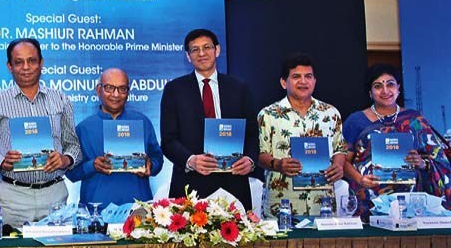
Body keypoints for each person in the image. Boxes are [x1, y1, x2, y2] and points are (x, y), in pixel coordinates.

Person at [0, 38, 81, 226]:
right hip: (13, 197)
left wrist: (65, 159)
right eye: (19, 62)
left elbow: (73, 146)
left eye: (31, 60)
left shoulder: (61, 100)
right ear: (10, 66)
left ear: (41, 63)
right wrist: (2, 162)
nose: (26, 67)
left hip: (54, 195)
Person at [159, 28, 259, 210]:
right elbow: (168, 141)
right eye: (195, 49)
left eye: (207, 47)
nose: (202, 53)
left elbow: (252, 134)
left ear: (217, 50)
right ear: (188, 56)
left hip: (234, 185)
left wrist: (250, 160)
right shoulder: (174, 90)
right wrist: (191, 160)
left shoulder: (239, 88)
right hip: (190, 186)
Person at [343, 63, 451, 218]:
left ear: (398, 88)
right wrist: (360, 179)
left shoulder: (415, 120)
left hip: (413, 204)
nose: (385, 91)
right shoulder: (356, 121)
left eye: (390, 84)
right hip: (368, 201)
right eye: (378, 86)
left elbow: (439, 161)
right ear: (370, 92)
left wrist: (421, 163)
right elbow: (343, 161)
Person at [258, 53, 346, 217]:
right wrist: (278, 164)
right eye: (296, 76)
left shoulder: (331, 113)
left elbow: (339, 149)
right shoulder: (268, 115)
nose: (303, 81)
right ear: (284, 82)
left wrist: (339, 166)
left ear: (314, 81)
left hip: (323, 203)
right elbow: (260, 154)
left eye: (308, 76)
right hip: (282, 203)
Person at [67, 67, 163, 205]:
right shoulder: (83, 128)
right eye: (109, 88)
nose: (116, 94)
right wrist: (92, 165)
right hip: (96, 213)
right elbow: (71, 173)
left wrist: (150, 164)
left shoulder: (142, 122)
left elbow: (158, 160)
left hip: (138, 211)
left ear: (128, 92)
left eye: (122, 88)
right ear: (98, 90)